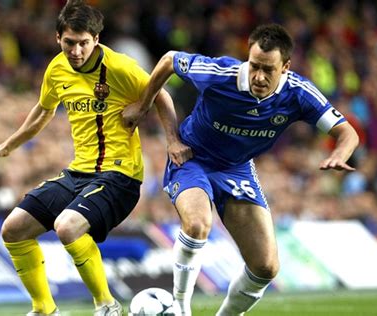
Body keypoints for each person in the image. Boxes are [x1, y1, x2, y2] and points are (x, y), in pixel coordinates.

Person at [125, 24, 359, 316]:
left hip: (237, 169)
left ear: (285, 67)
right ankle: (181, 308)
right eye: (254, 66)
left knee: (266, 267)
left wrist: (339, 153)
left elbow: (347, 133)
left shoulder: (298, 93)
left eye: (268, 70)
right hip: (192, 157)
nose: (259, 76)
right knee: (197, 224)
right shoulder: (220, 74)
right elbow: (170, 60)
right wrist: (146, 107)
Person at [0, 1, 186, 315]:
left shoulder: (119, 67)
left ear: (96, 40)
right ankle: (44, 309)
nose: (75, 50)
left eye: (83, 43)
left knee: (67, 226)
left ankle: (106, 305)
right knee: (13, 228)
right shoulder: (57, 68)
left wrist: (172, 140)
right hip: (79, 173)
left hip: (120, 176)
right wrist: (7, 146)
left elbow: (162, 95)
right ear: (58, 37)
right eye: (69, 42)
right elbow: (43, 111)